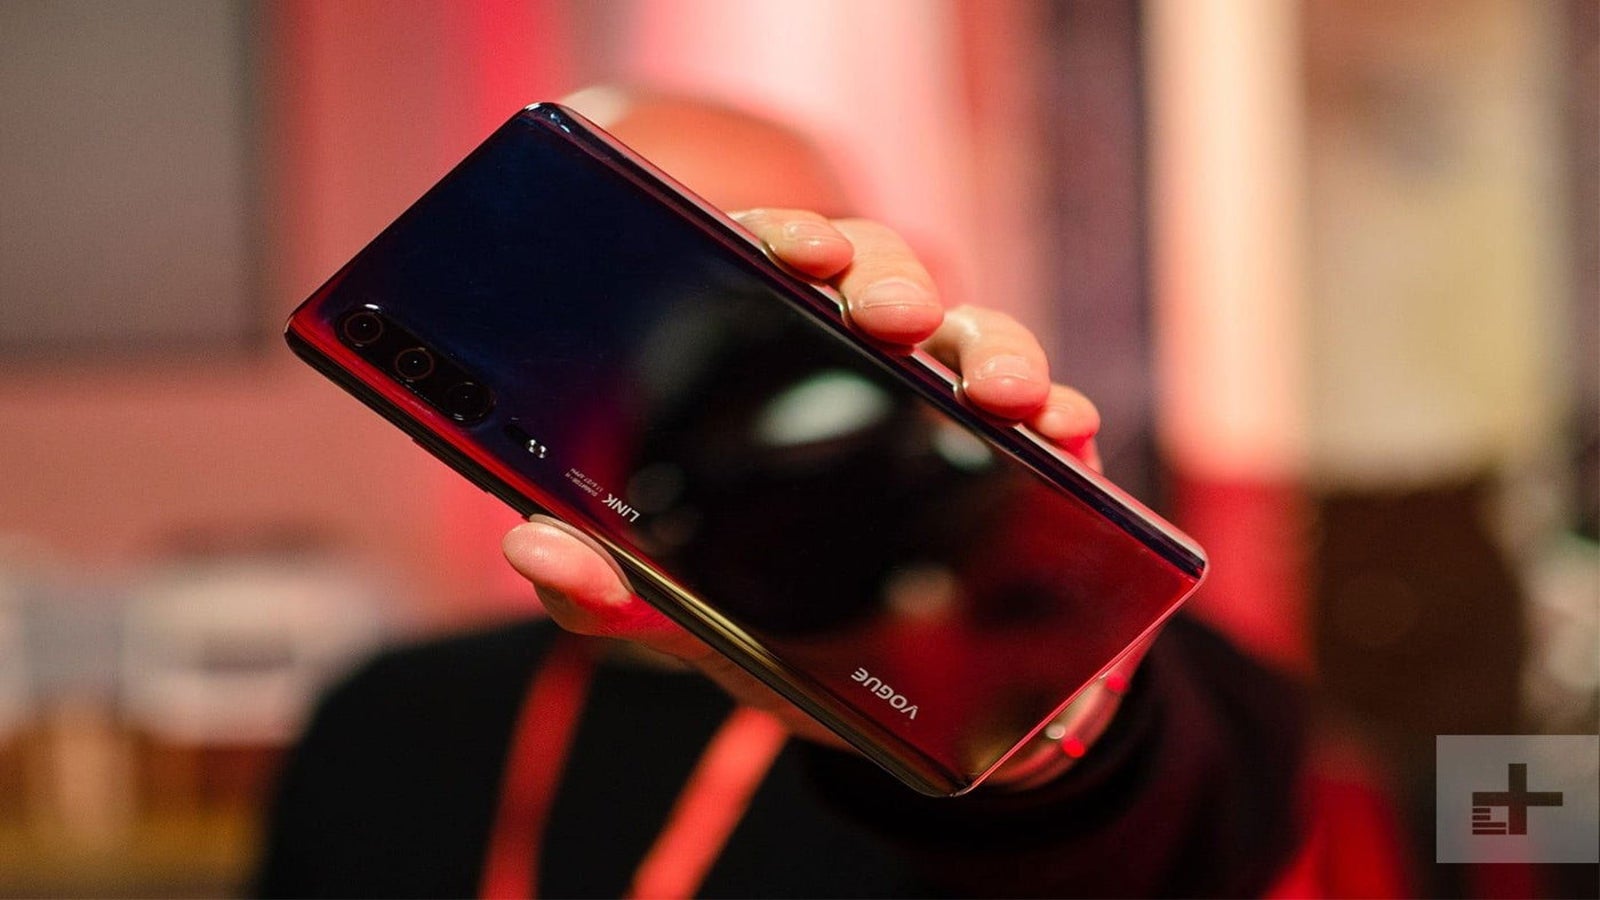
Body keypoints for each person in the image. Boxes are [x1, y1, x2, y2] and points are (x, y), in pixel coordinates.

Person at [255, 90, 1308, 899]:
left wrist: (1054, 748)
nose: (718, 362)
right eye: (646, 292)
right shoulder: (388, 720)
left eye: (766, 296)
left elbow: (1187, 833)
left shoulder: (1049, 653)